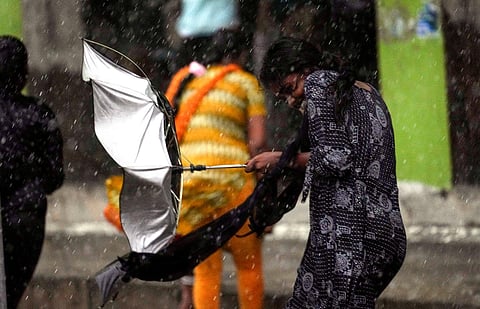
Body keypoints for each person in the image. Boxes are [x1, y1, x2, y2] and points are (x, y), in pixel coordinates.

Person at [245, 37, 407, 308]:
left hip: (350, 234)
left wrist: (281, 160)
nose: (290, 100)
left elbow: (337, 158)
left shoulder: (317, 84)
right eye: (282, 96)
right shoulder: (365, 90)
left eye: (289, 88)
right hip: (383, 234)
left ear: (304, 69)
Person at [165, 29, 267, 309]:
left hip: (193, 182)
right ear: (241, 56)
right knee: (248, 265)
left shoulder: (192, 84)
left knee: (206, 269)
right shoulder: (246, 82)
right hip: (233, 181)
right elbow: (257, 142)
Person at [0, 35, 64, 308]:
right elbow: (54, 178)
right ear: (24, 73)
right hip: (25, 220)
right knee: (10, 295)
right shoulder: (40, 115)